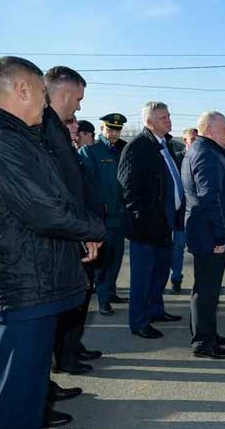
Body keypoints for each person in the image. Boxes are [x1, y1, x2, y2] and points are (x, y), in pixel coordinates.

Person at [0, 57, 104, 429]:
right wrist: (95, 228)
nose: (46, 105)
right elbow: (46, 210)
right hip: (20, 287)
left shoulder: (17, 138)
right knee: (18, 403)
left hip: (30, 282)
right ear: (23, 90)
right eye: (43, 94)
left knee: (26, 398)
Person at [43, 66, 105, 378]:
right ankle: (62, 361)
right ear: (64, 91)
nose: (79, 105)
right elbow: (58, 195)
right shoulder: (43, 130)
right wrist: (86, 231)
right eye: (78, 98)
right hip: (64, 238)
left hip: (77, 233)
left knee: (77, 301)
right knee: (63, 309)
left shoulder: (54, 130)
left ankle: (70, 352)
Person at [118, 101, 184, 339]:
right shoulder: (137, 147)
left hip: (166, 223)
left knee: (160, 273)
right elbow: (127, 189)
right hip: (146, 227)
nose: (168, 120)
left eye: (168, 116)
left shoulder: (165, 145)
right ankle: (138, 321)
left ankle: (156, 310)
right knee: (142, 277)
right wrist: (141, 219)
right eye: (163, 117)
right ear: (149, 122)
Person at [182, 112, 225, 359]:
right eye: (224, 128)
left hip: (207, 231)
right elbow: (209, 198)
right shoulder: (205, 154)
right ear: (208, 129)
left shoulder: (206, 150)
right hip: (209, 233)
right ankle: (204, 342)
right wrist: (220, 237)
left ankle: (207, 332)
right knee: (207, 290)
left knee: (208, 288)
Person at [80, 113, 129, 316]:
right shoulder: (90, 151)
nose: (114, 133)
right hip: (102, 217)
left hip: (120, 215)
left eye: (117, 129)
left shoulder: (121, 151)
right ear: (102, 129)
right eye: (110, 128)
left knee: (116, 258)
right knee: (103, 261)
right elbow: (88, 186)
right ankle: (102, 300)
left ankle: (110, 292)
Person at [168, 128, 198, 294]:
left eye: (196, 138)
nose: (193, 142)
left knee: (200, 250)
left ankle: (200, 283)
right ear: (185, 140)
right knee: (178, 249)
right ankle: (176, 278)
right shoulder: (176, 158)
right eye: (190, 139)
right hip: (180, 214)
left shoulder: (204, 158)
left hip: (198, 213)